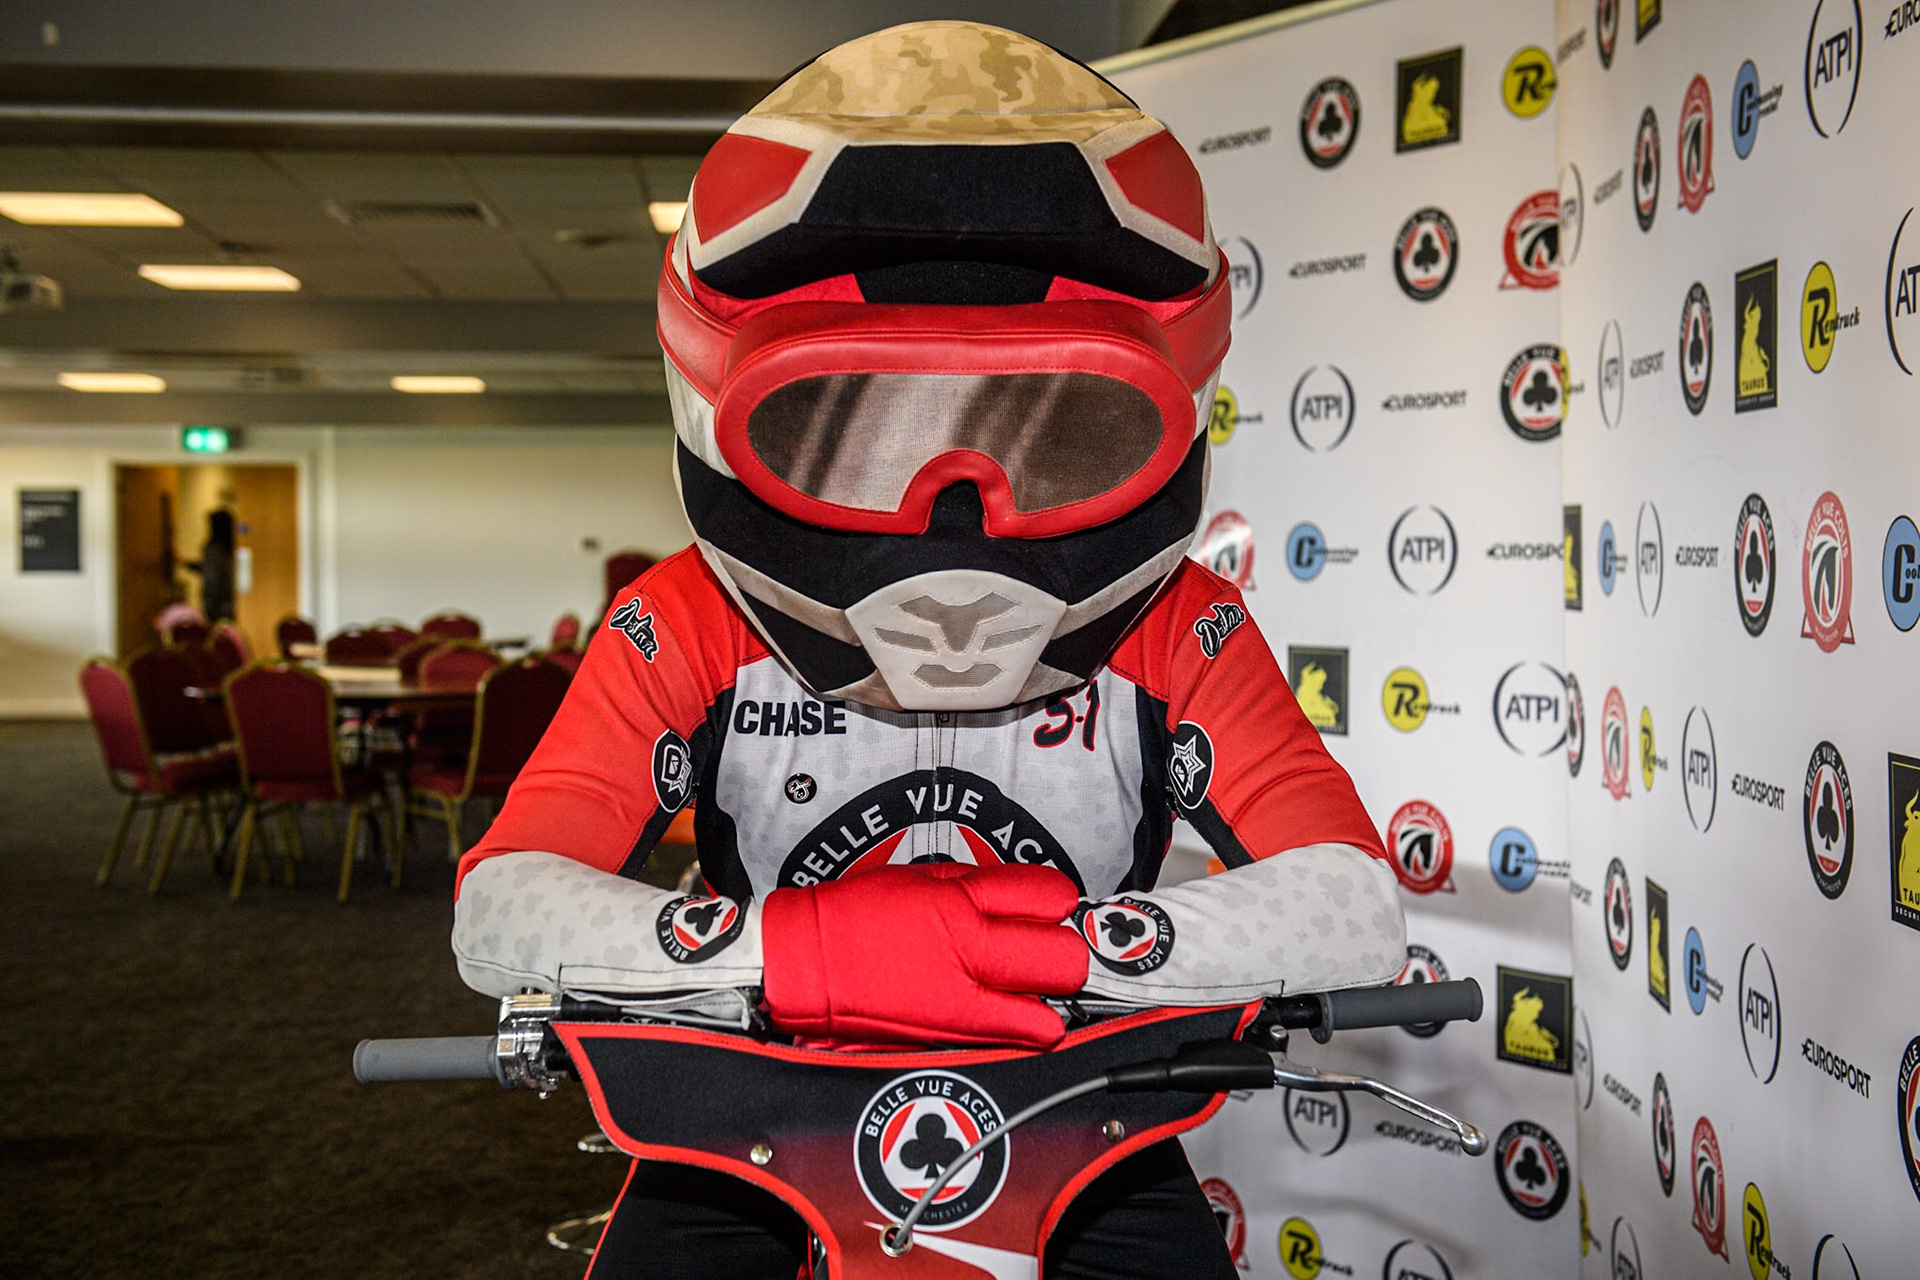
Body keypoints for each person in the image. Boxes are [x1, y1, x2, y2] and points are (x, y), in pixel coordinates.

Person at [451, 22, 1404, 1278]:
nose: (957, 504)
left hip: (1078, 1108)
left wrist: (1053, 952)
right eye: (853, 428)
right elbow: (502, 902)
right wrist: (810, 955)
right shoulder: (687, 611)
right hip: (756, 1110)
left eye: (1053, 428)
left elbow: (1353, 901)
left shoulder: (1179, 615)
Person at [184, 509, 236, 625]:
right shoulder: (231, 547)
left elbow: (212, 577)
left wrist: (208, 607)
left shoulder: (215, 549)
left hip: (217, 606)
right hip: (231, 603)